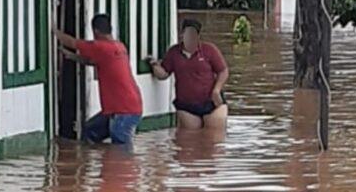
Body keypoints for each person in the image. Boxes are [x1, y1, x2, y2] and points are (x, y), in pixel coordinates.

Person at [53, 14, 143, 144]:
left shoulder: (100, 46)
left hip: (122, 111)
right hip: (128, 107)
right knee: (90, 131)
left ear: (95, 31)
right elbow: (94, 62)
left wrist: (54, 30)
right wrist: (71, 56)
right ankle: (96, 160)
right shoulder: (119, 47)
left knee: (121, 152)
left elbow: (71, 42)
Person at [148, 19, 229, 130]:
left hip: (212, 102)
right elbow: (164, 74)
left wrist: (217, 90)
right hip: (186, 105)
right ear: (182, 34)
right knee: (188, 140)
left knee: (214, 138)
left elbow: (223, 71)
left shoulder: (209, 50)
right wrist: (154, 65)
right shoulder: (174, 52)